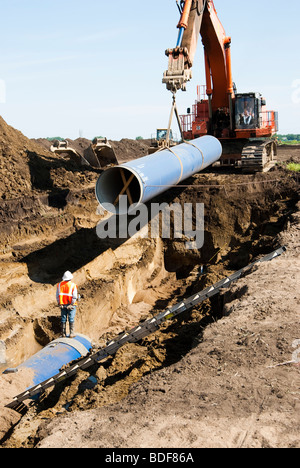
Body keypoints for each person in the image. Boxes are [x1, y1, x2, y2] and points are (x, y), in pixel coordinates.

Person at [56, 271, 78, 338]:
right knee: (71, 319)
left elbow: (57, 296)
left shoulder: (59, 285)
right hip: (71, 305)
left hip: (63, 305)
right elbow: (74, 296)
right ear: (70, 278)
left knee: (63, 319)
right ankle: (71, 333)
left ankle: (63, 334)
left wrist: (59, 303)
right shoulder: (73, 285)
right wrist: (71, 304)